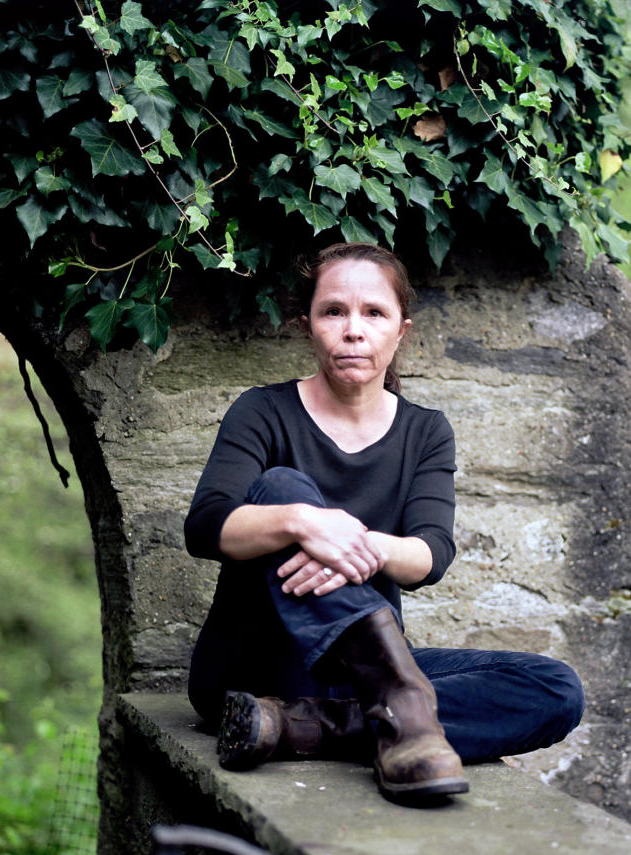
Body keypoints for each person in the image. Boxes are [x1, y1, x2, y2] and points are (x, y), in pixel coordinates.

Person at [184, 242, 584, 805]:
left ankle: (310, 724)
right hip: (253, 664)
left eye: (374, 313)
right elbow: (204, 527)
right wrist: (300, 522)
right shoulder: (263, 411)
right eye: (333, 312)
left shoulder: (426, 431)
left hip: (356, 673)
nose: (354, 330)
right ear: (308, 326)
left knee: (555, 688)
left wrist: (360, 543)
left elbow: (430, 554)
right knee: (280, 487)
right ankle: (402, 707)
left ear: (401, 330)